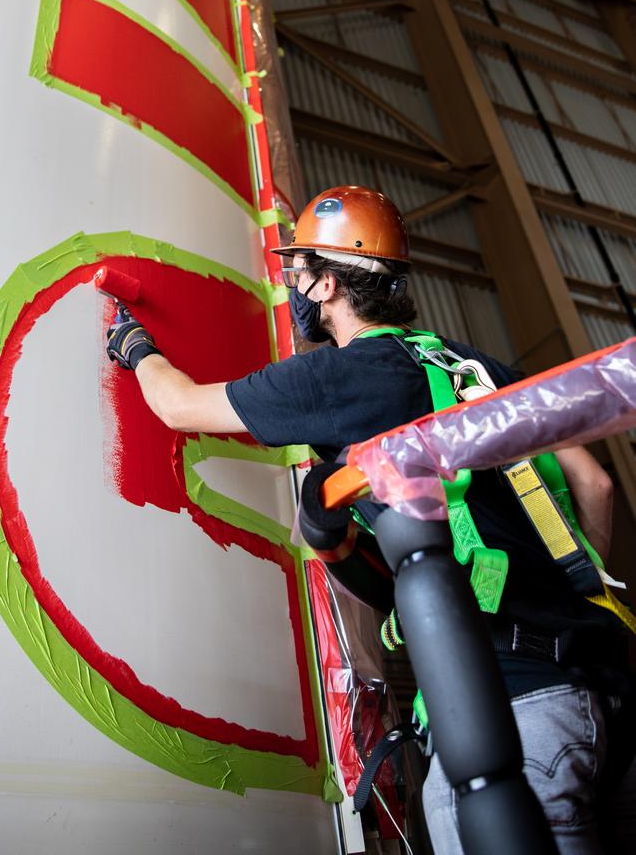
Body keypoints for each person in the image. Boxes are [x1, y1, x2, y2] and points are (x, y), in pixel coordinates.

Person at [106, 184, 634, 853]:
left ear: (325, 286)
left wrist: (133, 346)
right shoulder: (474, 366)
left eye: (298, 271)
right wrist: (564, 591)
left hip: (509, 716)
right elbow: (594, 481)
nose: (293, 284)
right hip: (600, 694)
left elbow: (180, 408)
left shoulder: (340, 377)